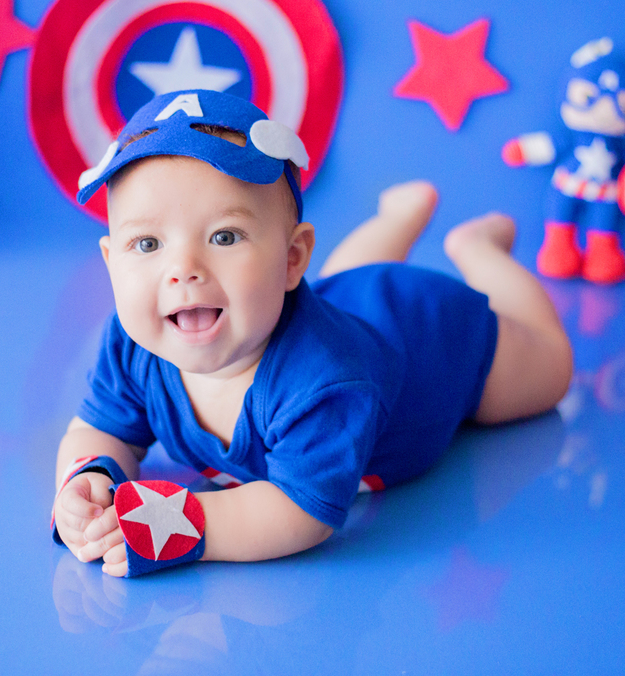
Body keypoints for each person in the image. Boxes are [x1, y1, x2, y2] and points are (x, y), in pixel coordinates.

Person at [51, 89, 572, 577]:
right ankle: (398, 218)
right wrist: (87, 481)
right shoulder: (131, 344)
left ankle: (480, 250)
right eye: (146, 245)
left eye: (224, 236)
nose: (182, 269)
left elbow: (300, 510)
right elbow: (103, 429)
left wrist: (177, 525)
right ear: (110, 261)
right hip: (335, 300)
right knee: (333, 288)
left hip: (427, 334)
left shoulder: (323, 381)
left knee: (551, 372)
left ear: (291, 257)